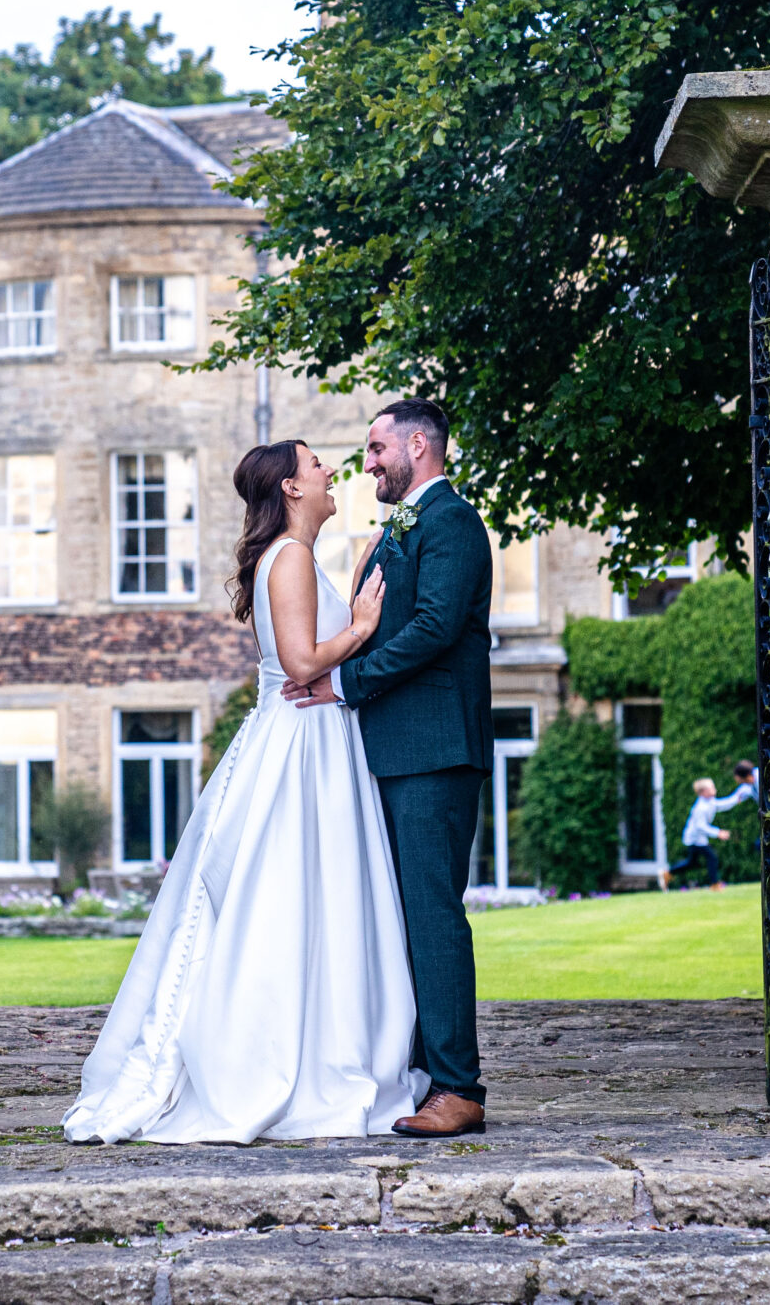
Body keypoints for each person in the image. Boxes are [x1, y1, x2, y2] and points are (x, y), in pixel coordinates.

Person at [63, 441, 427, 1143]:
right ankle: (285, 1060)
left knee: (313, 899)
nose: (330, 472)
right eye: (317, 463)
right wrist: (360, 627)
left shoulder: (296, 557)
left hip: (313, 738)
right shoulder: (286, 557)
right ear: (291, 486)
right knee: (290, 896)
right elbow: (298, 662)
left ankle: (322, 1043)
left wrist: (349, 592)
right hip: (299, 743)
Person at [283, 399, 495, 1139]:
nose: (367, 461)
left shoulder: (453, 522)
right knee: (398, 915)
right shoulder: (401, 529)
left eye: (376, 447)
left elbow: (437, 627)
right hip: (393, 746)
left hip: (435, 746)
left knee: (432, 913)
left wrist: (342, 683)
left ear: (418, 444)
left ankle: (458, 1087)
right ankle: (413, 1072)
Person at [670, 776, 733, 890]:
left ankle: (668, 873)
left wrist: (738, 797)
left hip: (698, 838)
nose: (714, 789)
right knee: (712, 857)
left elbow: (723, 804)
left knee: (691, 863)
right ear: (703, 792)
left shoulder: (710, 802)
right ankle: (714, 884)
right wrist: (718, 833)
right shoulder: (700, 807)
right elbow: (701, 826)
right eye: (711, 788)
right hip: (694, 839)